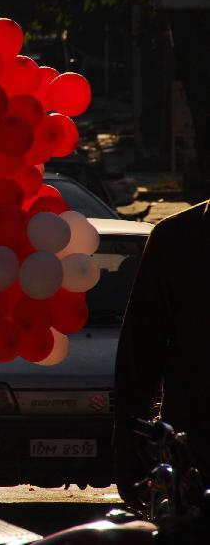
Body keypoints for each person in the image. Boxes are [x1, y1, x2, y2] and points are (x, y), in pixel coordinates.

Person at [114, 199, 210, 508]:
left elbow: (140, 353)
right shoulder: (176, 239)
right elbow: (140, 352)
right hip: (195, 450)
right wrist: (128, 448)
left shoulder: (177, 237)